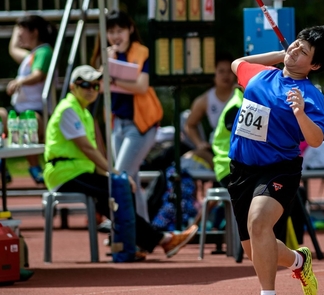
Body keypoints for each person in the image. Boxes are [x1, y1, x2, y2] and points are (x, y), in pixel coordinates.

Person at [227, 25, 324, 295]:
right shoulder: (260, 76)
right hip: (242, 169)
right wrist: (281, 54)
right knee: (253, 249)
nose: (294, 49)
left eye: (303, 51)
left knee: (259, 223)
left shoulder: (311, 96)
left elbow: (315, 139)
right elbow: (238, 63)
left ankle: (268, 293)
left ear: (314, 65)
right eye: (295, 44)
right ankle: (299, 260)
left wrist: (300, 113)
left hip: (279, 169)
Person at [43, 65, 197, 259]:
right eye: (85, 85)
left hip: (77, 171)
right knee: (119, 188)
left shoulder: (84, 112)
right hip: (64, 174)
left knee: (119, 191)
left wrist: (111, 175)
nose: (91, 89)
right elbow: (88, 149)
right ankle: (149, 242)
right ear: (73, 87)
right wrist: (114, 173)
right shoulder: (68, 110)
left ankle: (134, 245)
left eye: (95, 85)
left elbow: (90, 154)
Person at [90, 9, 163, 221]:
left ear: (130, 29)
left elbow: (141, 86)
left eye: (119, 30)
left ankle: (131, 232)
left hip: (141, 125)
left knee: (120, 177)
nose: (115, 36)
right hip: (117, 124)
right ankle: (141, 232)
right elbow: (98, 88)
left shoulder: (142, 52)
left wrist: (112, 80)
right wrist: (109, 65)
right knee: (131, 179)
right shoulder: (106, 55)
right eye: (111, 31)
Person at [0, 15, 57, 184]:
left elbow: (38, 75)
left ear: (34, 32)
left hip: (37, 111)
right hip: (19, 109)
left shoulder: (44, 52)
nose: (18, 35)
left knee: (28, 121)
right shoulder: (30, 56)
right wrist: (18, 25)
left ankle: (34, 166)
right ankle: (2, 163)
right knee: (1, 115)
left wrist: (20, 81)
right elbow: (13, 49)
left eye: (21, 30)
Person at [183, 51, 237, 168]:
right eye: (221, 71)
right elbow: (190, 125)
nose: (226, 75)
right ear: (214, 73)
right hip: (218, 149)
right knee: (188, 157)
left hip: (240, 145)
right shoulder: (204, 100)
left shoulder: (242, 93)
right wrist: (199, 144)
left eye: (229, 71)